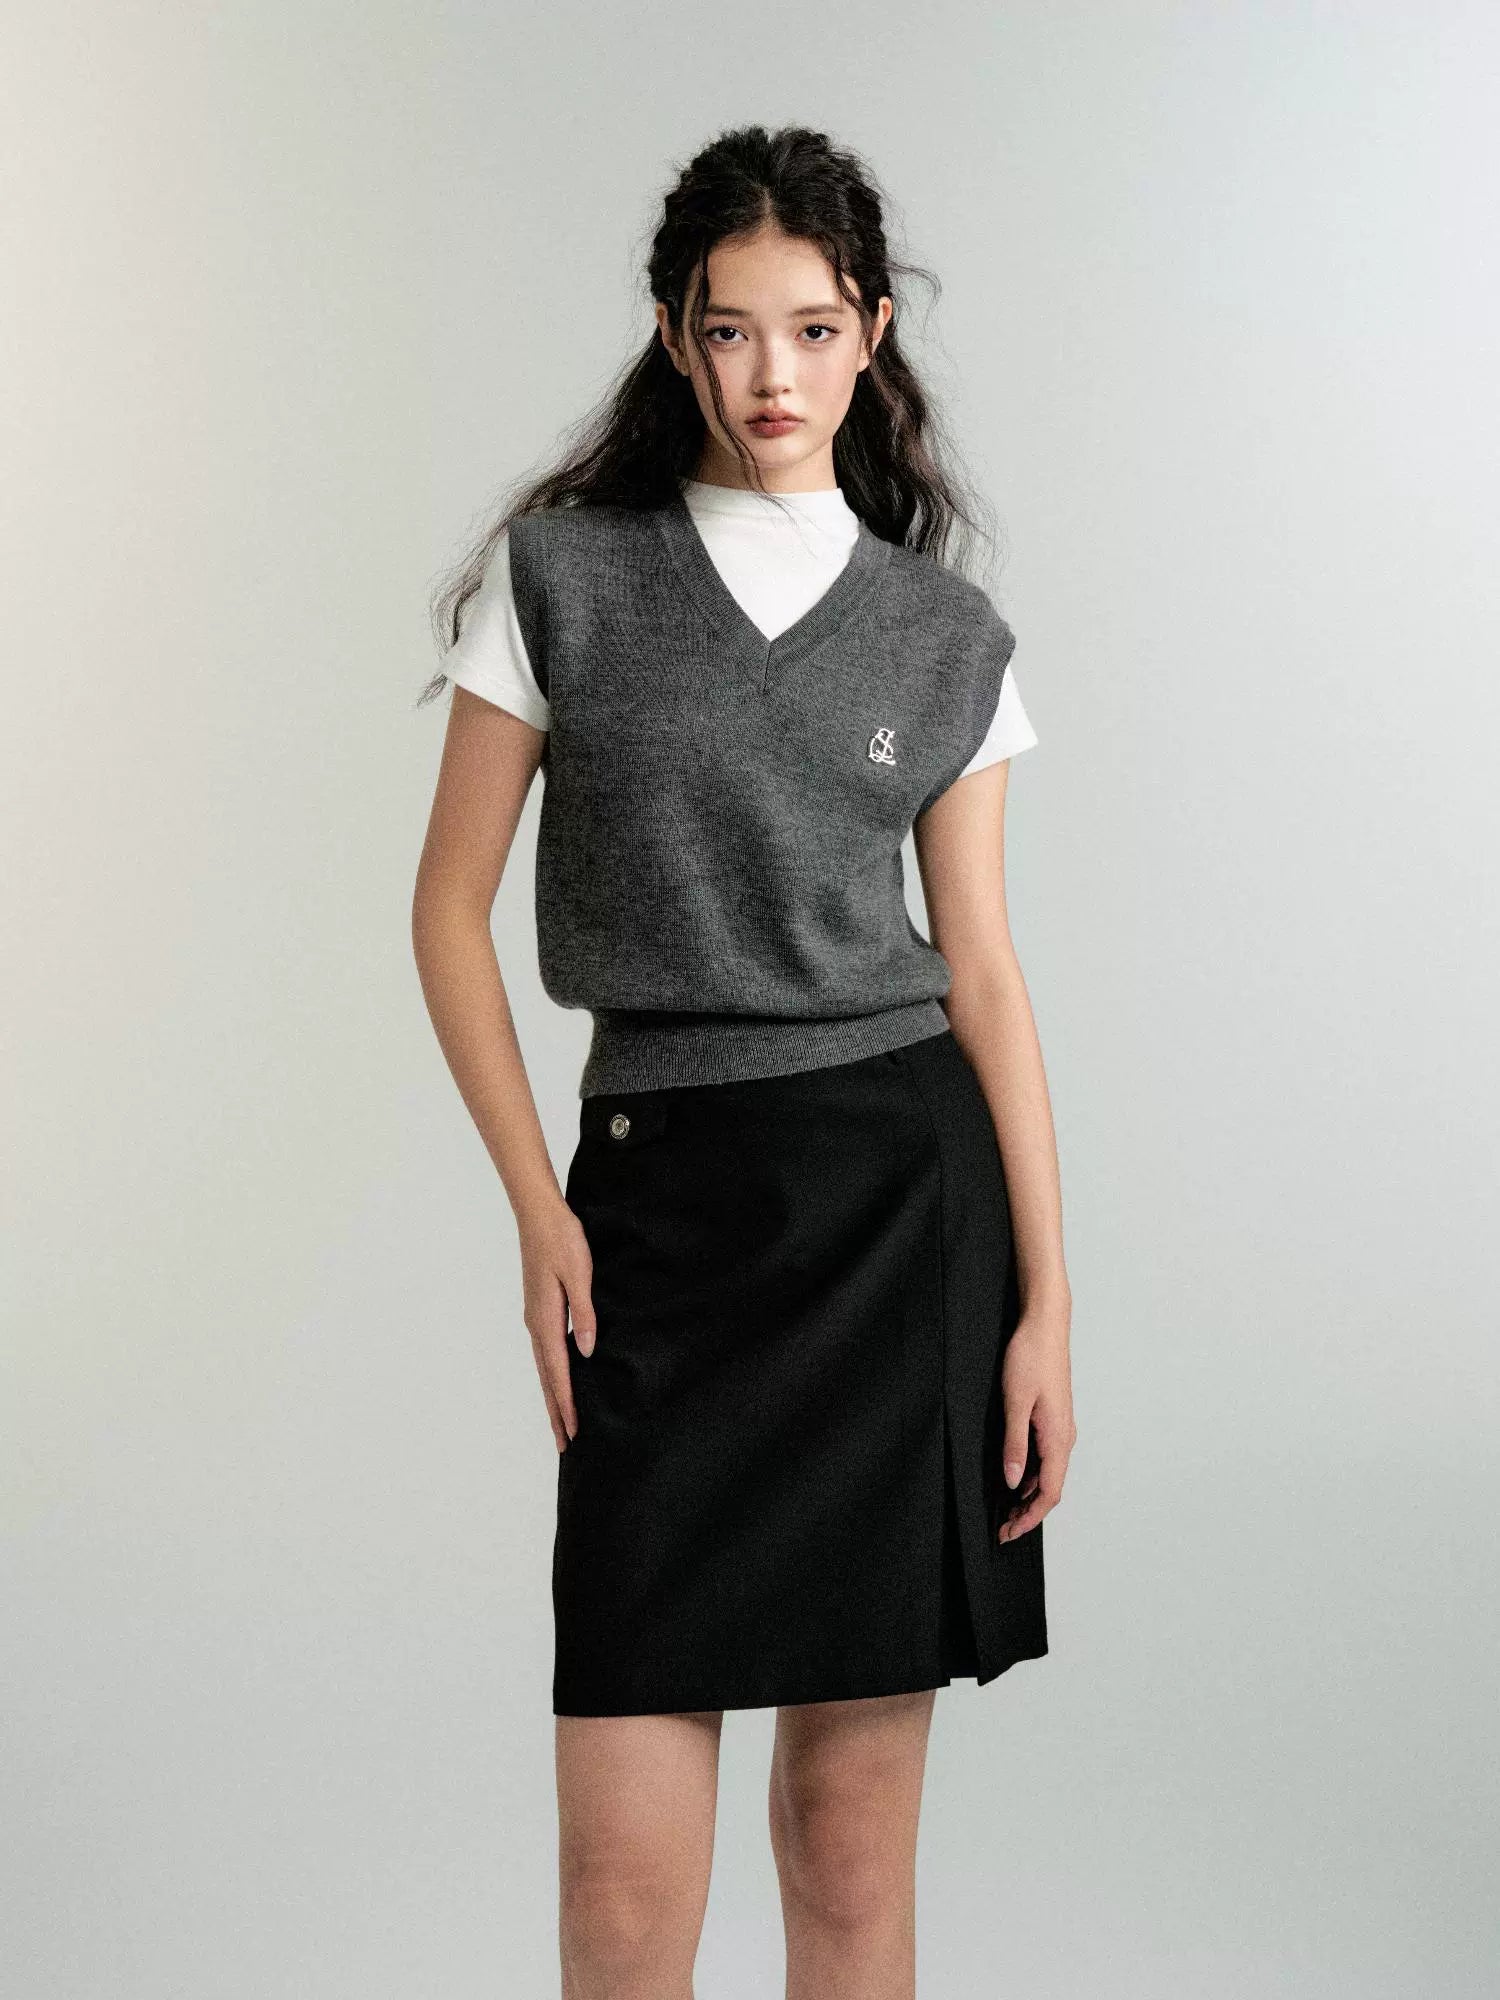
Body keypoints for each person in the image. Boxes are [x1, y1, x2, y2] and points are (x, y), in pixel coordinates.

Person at [412, 122, 1075, 2000]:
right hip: (661, 1214)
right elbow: (446, 912)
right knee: (622, 1894)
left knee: (849, 1861)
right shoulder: (562, 579)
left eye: (811, 329)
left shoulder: (944, 635)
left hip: (899, 1222)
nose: (772, 374)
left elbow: (985, 975)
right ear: (673, 335)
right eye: (729, 330)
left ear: (872, 333)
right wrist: (539, 1208)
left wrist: (1048, 1302)